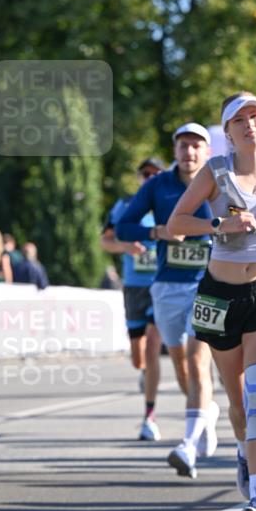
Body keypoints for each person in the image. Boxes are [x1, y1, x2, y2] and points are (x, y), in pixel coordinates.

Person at [167, 92, 256, 511]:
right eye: (239, 120)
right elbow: (175, 224)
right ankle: (244, 448)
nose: (249, 124)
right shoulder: (214, 172)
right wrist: (219, 225)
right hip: (220, 295)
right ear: (228, 131)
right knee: (239, 401)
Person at [116, 129, 218, 471]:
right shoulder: (157, 186)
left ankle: (189, 441)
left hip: (207, 284)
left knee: (197, 356)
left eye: (196, 145)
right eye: (183, 144)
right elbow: (123, 228)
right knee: (179, 362)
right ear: (175, 149)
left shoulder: (220, 179)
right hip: (167, 285)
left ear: (207, 150)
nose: (189, 151)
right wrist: (156, 232)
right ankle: (206, 411)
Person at [101, 158, 165, 441]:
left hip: (162, 284)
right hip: (134, 286)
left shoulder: (170, 202)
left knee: (152, 346)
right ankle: (144, 372)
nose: (149, 177)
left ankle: (149, 416)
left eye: (155, 173)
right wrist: (124, 246)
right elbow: (105, 240)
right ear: (139, 177)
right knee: (138, 353)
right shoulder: (125, 204)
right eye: (145, 174)